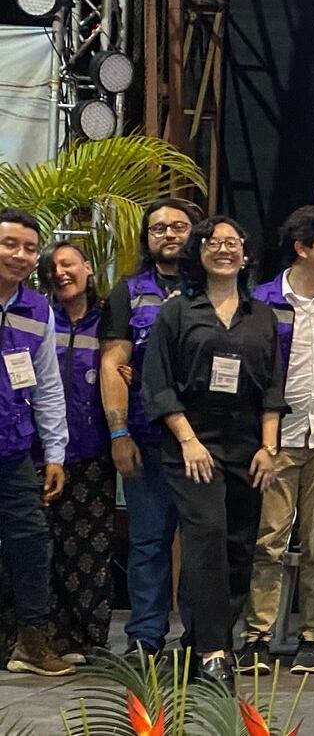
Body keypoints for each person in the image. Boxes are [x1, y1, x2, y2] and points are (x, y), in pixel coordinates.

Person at [140, 216, 285, 688]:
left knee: (240, 546)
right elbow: (158, 385)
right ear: (198, 252)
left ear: (245, 253)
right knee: (206, 539)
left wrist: (269, 447)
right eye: (213, 242)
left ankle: (208, 637)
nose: (224, 250)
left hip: (248, 446)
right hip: (192, 443)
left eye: (233, 242)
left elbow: (272, 388)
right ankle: (211, 652)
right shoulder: (177, 312)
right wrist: (188, 440)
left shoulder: (261, 315)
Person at [239, 206, 314, 676]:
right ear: (303, 249)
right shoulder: (262, 299)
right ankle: (258, 637)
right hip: (277, 438)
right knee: (268, 541)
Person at [100, 198, 198, 656]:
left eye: (179, 226)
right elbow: (114, 363)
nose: (169, 235)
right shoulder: (128, 291)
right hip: (145, 439)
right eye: (158, 228)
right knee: (148, 542)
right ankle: (145, 638)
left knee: (202, 546)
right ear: (147, 238)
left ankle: (203, 640)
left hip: (206, 443)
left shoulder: (216, 289)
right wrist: (118, 434)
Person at [0, 210, 73, 676]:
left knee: (30, 543)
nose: (20, 255)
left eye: (30, 248)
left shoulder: (39, 311)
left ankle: (32, 641)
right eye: (10, 244)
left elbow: (47, 386)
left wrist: (55, 453)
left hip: (13, 452)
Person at [40, 243, 117, 664]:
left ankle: (87, 640)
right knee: (39, 549)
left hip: (93, 454)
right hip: (38, 455)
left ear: (88, 268)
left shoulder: (108, 321)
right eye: (53, 267)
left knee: (88, 551)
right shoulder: (36, 318)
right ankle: (37, 637)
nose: (61, 272)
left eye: (69, 263)